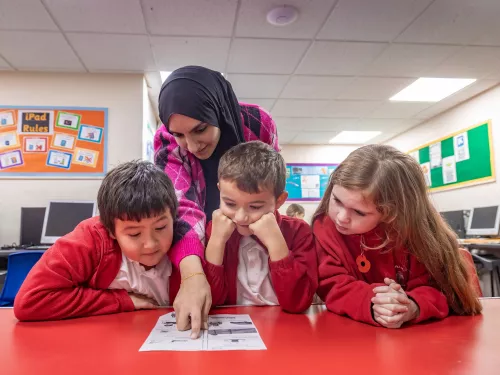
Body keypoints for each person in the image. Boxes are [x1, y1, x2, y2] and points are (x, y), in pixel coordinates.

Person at [154, 66, 279, 335]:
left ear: (218, 112)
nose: (191, 144)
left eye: (200, 129)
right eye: (179, 134)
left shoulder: (258, 123)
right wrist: (193, 275)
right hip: (200, 241)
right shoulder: (166, 139)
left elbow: (270, 181)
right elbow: (180, 207)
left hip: (251, 233)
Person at [312, 144, 482, 328]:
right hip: (353, 341)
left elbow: (446, 291)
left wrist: (412, 305)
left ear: (391, 213)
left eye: (359, 212)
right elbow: (332, 284)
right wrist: (375, 303)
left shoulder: (418, 236)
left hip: (422, 341)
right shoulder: (325, 228)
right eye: (337, 200)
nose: (341, 217)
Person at [14, 161, 181, 321]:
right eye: (134, 234)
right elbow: (30, 302)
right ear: (111, 231)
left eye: (160, 228)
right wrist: (121, 300)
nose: (150, 244)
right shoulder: (89, 240)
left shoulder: (188, 238)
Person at [203, 141, 317, 313]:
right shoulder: (216, 229)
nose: (241, 217)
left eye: (255, 207)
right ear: (220, 191)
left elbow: (298, 303)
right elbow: (211, 301)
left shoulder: (298, 231)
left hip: (284, 328)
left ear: (279, 201)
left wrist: (276, 244)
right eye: (230, 203)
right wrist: (217, 242)